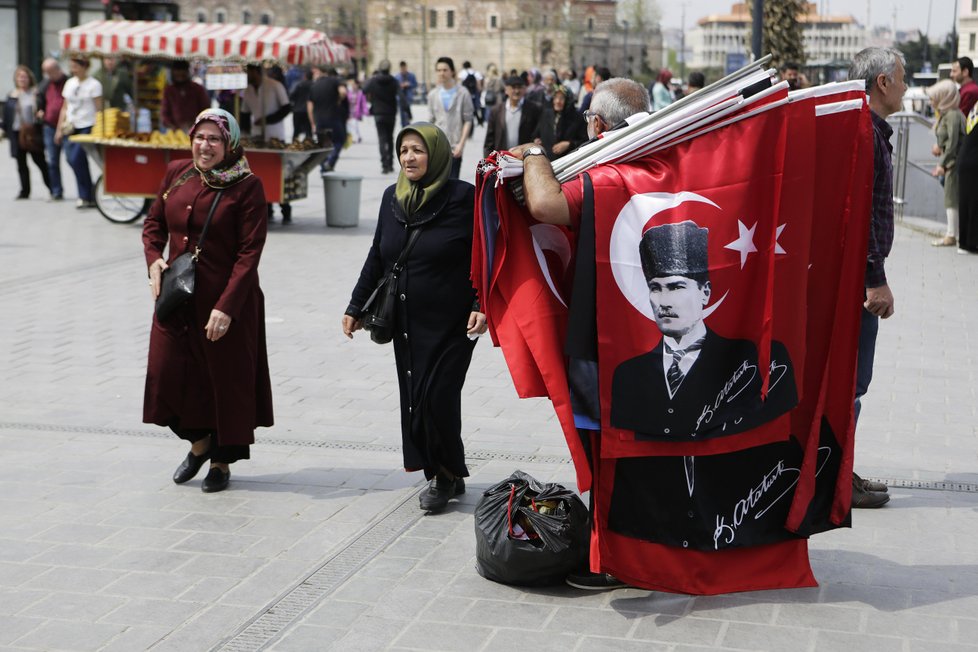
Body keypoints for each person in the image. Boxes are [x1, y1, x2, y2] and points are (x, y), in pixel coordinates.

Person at [342, 123, 487, 513]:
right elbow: (378, 255)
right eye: (403, 149)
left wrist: (481, 303)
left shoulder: (463, 198)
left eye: (418, 150)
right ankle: (446, 471)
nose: (409, 157)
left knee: (436, 396)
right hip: (405, 321)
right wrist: (355, 307)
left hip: (452, 322)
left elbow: (483, 254)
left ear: (437, 154)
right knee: (416, 399)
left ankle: (442, 477)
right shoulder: (393, 197)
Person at [143, 108, 273, 494]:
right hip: (176, 299)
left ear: (229, 143)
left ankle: (221, 462)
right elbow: (153, 224)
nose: (205, 145)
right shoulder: (177, 173)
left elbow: (250, 252)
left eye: (214, 139)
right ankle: (200, 444)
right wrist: (154, 261)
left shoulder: (247, 186)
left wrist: (226, 307)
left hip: (226, 303)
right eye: (200, 137)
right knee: (166, 374)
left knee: (224, 382)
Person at [610, 221, 797, 441]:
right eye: (655, 288)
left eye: (676, 287)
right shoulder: (627, 373)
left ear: (705, 292)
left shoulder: (754, 357)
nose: (664, 302)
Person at [846, 46, 908, 508]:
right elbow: (860, 215)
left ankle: (839, 471)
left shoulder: (867, 130)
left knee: (853, 382)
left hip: (855, 280)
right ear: (882, 83)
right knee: (851, 382)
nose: (906, 86)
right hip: (854, 285)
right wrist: (874, 279)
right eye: (902, 78)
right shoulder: (863, 134)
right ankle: (835, 478)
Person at [243, 64, 293, 222]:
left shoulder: (275, 86)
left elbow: (286, 108)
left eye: (249, 72)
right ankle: (267, 206)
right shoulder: (247, 90)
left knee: (279, 172)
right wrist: (244, 134)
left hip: (275, 136)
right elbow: (244, 113)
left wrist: (268, 120)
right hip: (256, 136)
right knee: (261, 173)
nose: (247, 75)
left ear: (256, 72)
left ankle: (285, 207)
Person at [56, 57, 102, 209]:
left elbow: (98, 108)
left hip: (87, 125)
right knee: (72, 159)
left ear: (85, 67)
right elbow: (64, 107)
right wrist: (59, 129)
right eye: (71, 66)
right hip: (71, 125)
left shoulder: (94, 85)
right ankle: (89, 192)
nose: (73, 69)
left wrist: (99, 129)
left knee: (77, 158)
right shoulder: (70, 83)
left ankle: (84, 195)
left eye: (75, 66)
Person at [4, 65, 52, 200]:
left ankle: (52, 187)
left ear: (29, 78)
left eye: (24, 77)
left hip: (32, 132)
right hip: (16, 133)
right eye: (19, 77)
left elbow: (43, 108)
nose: (22, 79)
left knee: (40, 161)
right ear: (16, 79)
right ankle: (25, 191)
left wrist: (41, 114)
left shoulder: (35, 93)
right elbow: (7, 115)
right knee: (21, 164)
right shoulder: (12, 95)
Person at [926, 80, 964, 248]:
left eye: (934, 97)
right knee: (951, 198)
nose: (931, 101)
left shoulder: (952, 115)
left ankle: (951, 234)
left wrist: (942, 163)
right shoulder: (949, 114)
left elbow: (953, 143)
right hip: (952, 163)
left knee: (951, 199)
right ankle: (953, 233)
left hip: (953, 164)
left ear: (944, 97)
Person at [427, 57, 474, 180]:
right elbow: (430, 121)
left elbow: (468, 120)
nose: (441, 73)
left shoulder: (463, 93)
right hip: (437, 147)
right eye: (439, 70)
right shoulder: (433, 95)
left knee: (453, 183)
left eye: (445, 70)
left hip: (455, 147)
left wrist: (461, 145)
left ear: (452, 71)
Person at [483, 75, 541, 157]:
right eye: (513, 87)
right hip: (502, 158)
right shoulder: (496, 110)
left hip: (525, 158)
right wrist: (488, 161)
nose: (517, 91)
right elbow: (489, 140)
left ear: (524, 89)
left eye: (519, 87)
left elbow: (537, 133)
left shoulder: (533, 109)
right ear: (506, 90)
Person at [36, 58, 68, 201]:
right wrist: (40, 111)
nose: (48, 75)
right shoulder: (45, 84)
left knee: (73, 159)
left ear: (57, 68)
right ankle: (56, 191)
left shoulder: (69, 82)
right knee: (53, 161)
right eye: (46, 72)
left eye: (50, 71)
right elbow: (40, 101)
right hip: (49, 126)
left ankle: (86, 191)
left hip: (67, 126)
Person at [530, 84, 587, 160]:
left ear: (568, 100)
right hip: (546, 161)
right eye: (555, 97)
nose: (557, 101)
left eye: (561, 98)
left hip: (567, 162)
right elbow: (536, 134)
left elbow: (584, 141)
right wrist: (535, 140)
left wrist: (569, 144)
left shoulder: (577, 118)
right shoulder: (546, 114)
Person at [308, 66, 348, 173]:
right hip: (333, 118)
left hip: (319, 120)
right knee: (339, 140)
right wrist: (339, 100)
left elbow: (310, 107)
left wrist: (313, 123)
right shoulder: (334, 81)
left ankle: (323, 166)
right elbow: (343, 92)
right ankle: (330, 161)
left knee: (322, 144)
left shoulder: (314, 85)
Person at [364, 59, 399, 174]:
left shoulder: (373, 81)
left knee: (381, 139)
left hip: (378, 113)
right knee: (390, 138)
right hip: (391, 113)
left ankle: (384, 165)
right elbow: (402, 97)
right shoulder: (394, 81)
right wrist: (407, 111)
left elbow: (364, 89)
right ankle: (390, 164)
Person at [160, 60, 211, 133]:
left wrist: (195, 124)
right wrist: (173, 127)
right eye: (177, 71)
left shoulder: (198, 89)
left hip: (197, 131)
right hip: (175, 133)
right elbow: (164, 113)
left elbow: (206, 111)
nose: (180, 74)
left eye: (182, 71)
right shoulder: (169, 91)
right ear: (173, 73)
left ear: (187, 72)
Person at [289, 68, 314, 141]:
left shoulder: (299, 84)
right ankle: (309, 146)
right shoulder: (314, 85)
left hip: (297, 110)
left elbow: (291, 96)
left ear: (305, 76)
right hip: (309, 112)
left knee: (296, 131)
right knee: (309, 132)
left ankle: (294, 146)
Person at [459, 60, 483, 127]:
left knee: (466, 108)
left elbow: (460, 83)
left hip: (466, 93)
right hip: (474, 93)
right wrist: (479, 91)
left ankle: (468, 121)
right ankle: (479, 120)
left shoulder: (463, 73)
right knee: (476, 107)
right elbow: (479, 84)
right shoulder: (476, 72)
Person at [394, 60, 418, 128]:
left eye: (404, 68)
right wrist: (400, 86)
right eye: (402, 68)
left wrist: (409, 84)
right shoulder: (397, 77)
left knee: (406, 114)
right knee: (402, 114)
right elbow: (395, 87)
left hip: (408, 97)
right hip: (400, 98)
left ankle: (407, 125)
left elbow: (415, 84)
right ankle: (404, 127)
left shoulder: (411, 75)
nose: (403, 69)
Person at [346, 76, 369, 144]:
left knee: (355, 124)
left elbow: (364, 103)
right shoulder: (348, 92)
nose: (353, 86)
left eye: (355, 85)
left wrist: (366, 111)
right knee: (350, 125)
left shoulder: (360, 93)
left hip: (357, 111)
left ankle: (356, 138)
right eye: (352, 85)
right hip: (349, 111)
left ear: (357, 85)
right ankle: (357, 137)